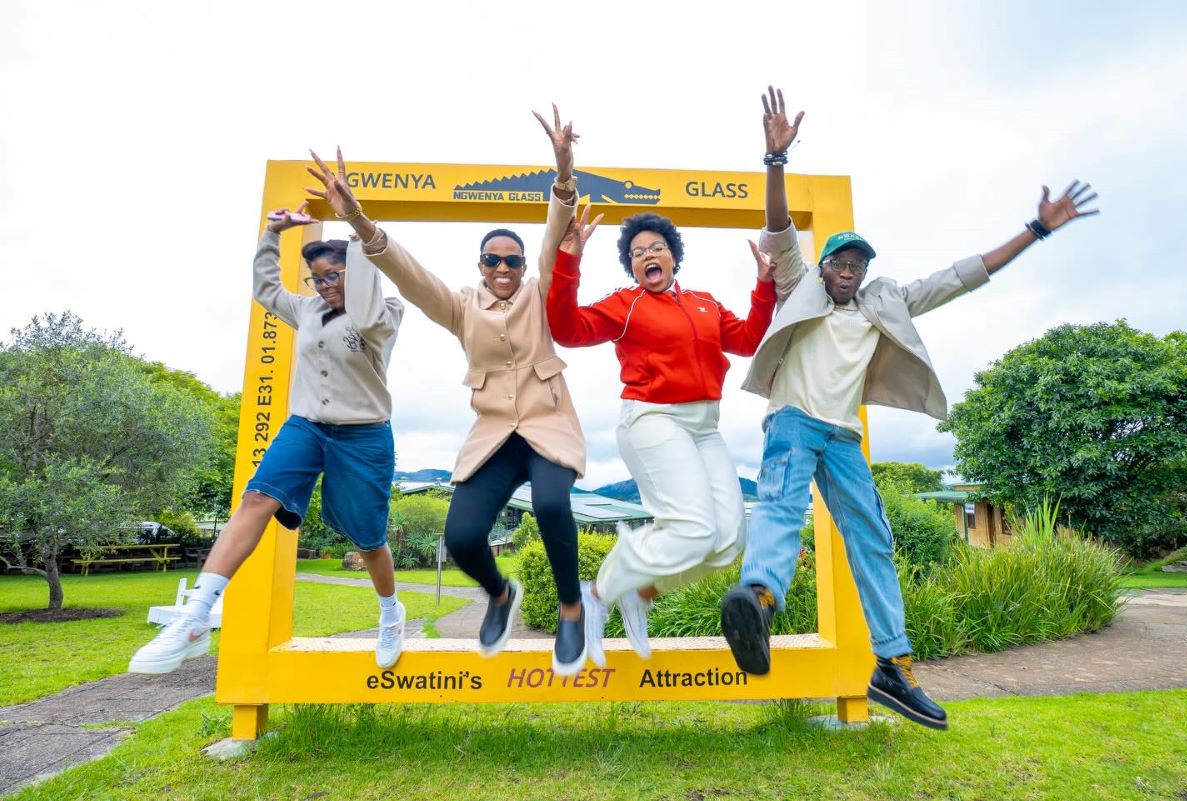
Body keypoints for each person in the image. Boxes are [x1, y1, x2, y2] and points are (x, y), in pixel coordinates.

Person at [720, 86, 1100, 730]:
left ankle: (892, 666)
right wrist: (775, 160)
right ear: (823, 266)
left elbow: (959, 277)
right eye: (838, 260)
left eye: (857, 262)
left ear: (866, 271)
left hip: (842, 438)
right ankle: (758, 601)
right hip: (793, 423)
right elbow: (779, 229)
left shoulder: (883, 301)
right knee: (781, 505)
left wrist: (1035, 231)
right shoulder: (798, 283)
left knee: (874, 538)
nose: (847, 268)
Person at [308, 106, 589, 674]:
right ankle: (500, 595)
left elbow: (554, 237)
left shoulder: (538, 293)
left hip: (548, 425)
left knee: (551, 503)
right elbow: (411, 276)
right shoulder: (461, 307)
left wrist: (563, 173)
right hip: (494, 435)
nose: (504, 267)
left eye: (512, 260)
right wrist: (357, 218)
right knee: (461, 537)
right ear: (480, 265)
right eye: (493, 259)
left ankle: (571, 607)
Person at [130, 201, 407, 674]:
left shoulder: (385, 313)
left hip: (363, 436)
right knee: (257, 497)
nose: (325, 285)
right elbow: (266, 289)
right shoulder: (308, 309)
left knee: (368, 539)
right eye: (317, 278)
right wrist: (272, 235)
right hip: (306, 426)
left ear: (355, 271)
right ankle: (196, 615)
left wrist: (359, 236)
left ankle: (390, 612)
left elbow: (365, 304)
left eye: (334, 275)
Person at [546, 203, 777, 667]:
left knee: (729, 539)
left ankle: (642, 592)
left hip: (704, 426)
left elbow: (749, 340)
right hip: (653, 417)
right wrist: (569, 260)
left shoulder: (705, 303)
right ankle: (597, 594)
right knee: (693, 528)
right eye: (637, 253)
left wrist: (764, 285)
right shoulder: (626, 304)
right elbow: (567, 330)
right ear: (632, 267)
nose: (647, 256)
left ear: (673, 256)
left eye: (656, 248)